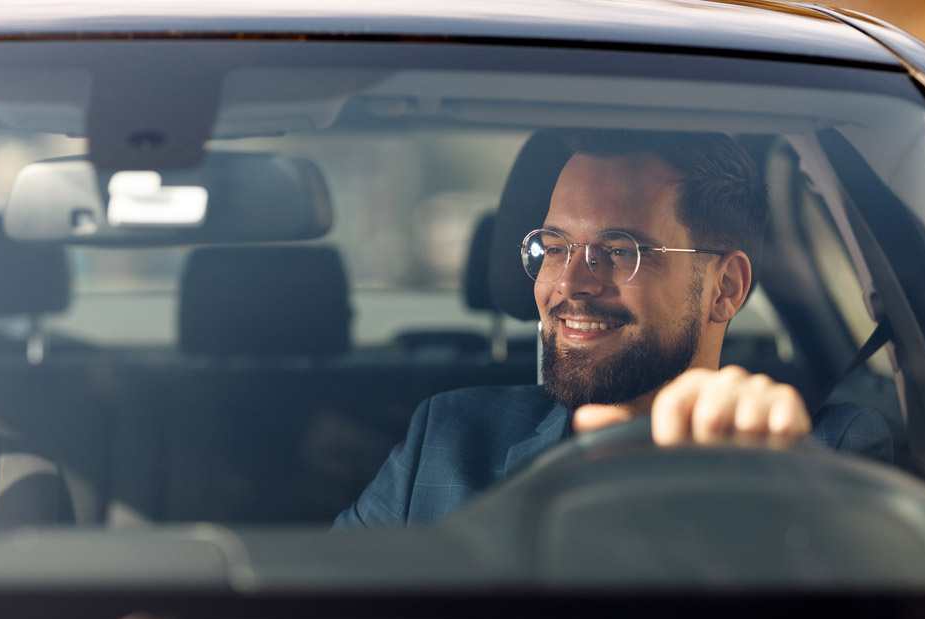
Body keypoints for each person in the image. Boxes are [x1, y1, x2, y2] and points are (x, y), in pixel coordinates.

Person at [335, 130, 892, 528]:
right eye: (554, 247)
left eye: (620, 251)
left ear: (725, 287)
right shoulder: (446, 438)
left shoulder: (822, 460)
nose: (569, 283)